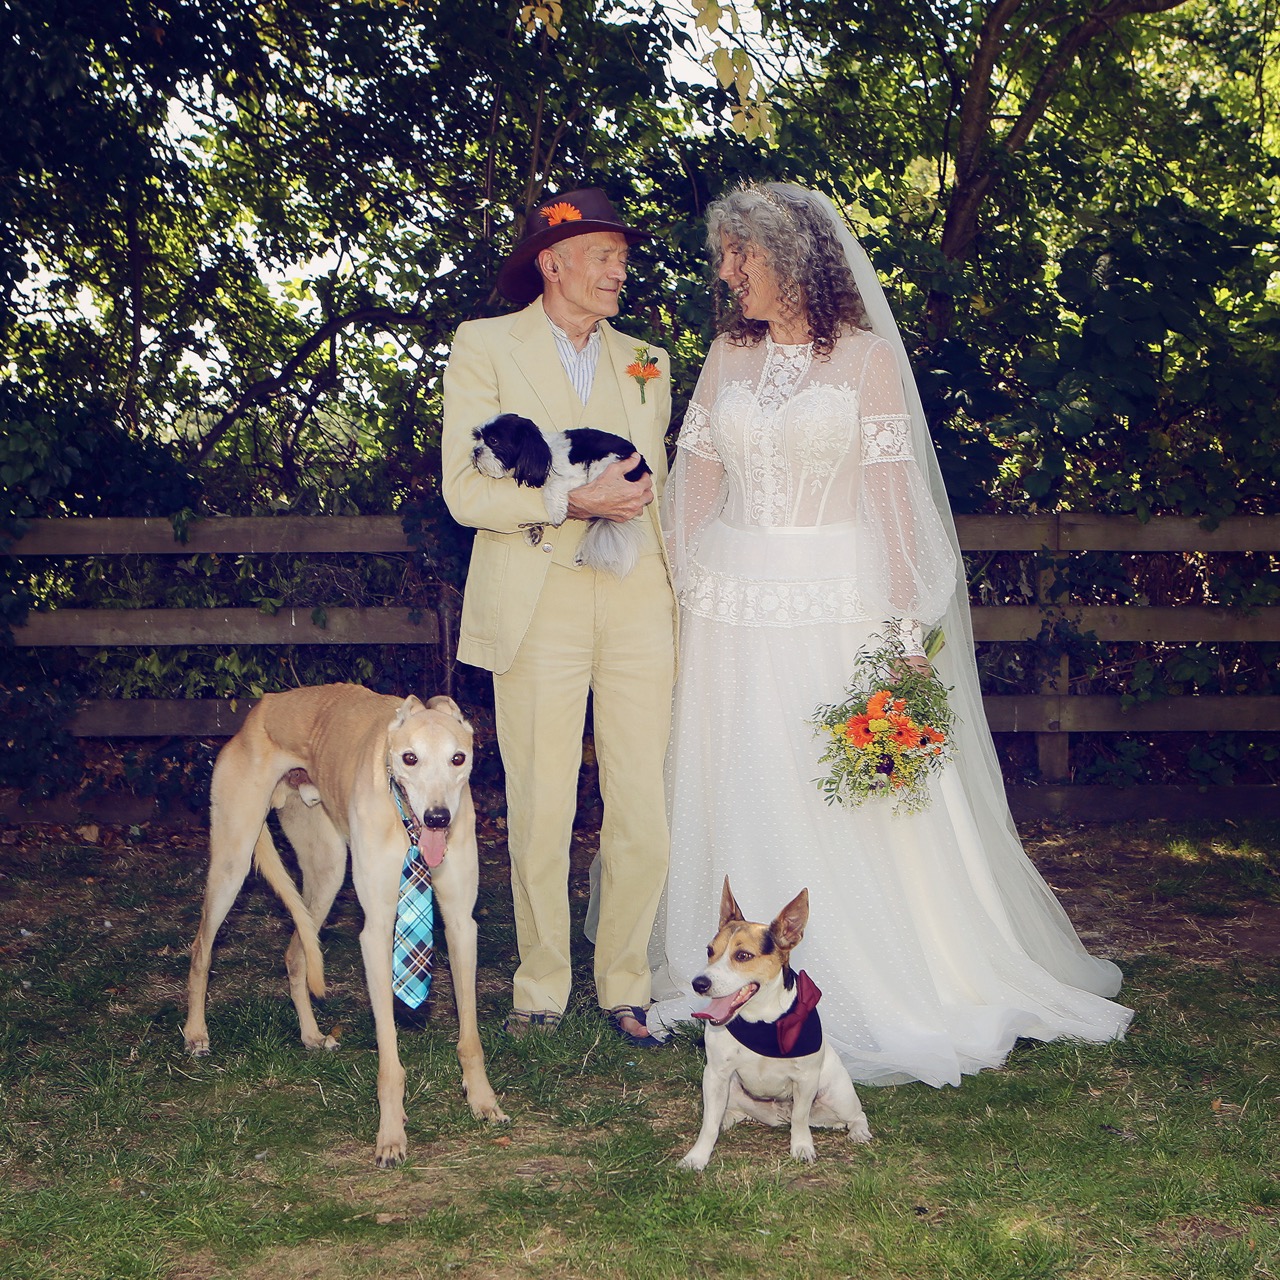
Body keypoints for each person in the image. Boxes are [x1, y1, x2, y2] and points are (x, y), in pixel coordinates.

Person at [648, 182, 1131, 1083]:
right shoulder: (725, 354)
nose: (726, 275)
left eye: (737, 257)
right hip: (736, 603)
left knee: (848, 787)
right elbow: (694, 478)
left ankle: (889, 973)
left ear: (786, 260)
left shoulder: (865, 361)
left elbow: (894, 502)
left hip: (842, 599)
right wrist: (688, 586)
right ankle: (738, 963)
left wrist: (906, 628)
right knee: (745, 767)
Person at [441, 187, 675, 1046]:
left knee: (640, 799)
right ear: (553, 260)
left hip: (638, 598)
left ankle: (627, 982)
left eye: (622, 256)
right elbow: (464, 491)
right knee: (540, 799)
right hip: (536, 596)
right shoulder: (483, 347)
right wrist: (573, 501)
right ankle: (540, 985)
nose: (621, 269)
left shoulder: (649, 358)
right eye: (605, 254)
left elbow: (661, 489)